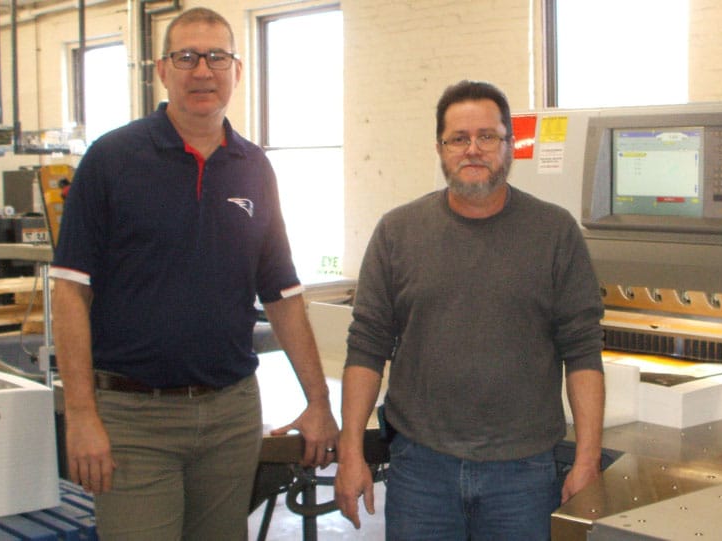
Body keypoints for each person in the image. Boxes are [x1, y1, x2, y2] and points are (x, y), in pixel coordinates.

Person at [50, 7, 338, 539]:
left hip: (230, 415)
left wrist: (317, 403)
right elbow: (70, 294)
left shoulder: (254, 167)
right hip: (134, 419)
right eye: (186, 57)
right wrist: (81, 415)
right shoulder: (112, 159)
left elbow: (283, 296)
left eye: (217, 57)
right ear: (162, 70)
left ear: (236, 69)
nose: (202, 71)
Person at [334, 80, 606, 539]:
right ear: (441, 149)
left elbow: (582, 353)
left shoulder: (555, 232)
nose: (473, 150)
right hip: (420, 470)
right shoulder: (398, 232)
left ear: (509, 146)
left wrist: (587, 460)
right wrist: (350, 452)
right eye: (459, 139)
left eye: (487, 137)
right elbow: (366, 347)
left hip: (524, 474)